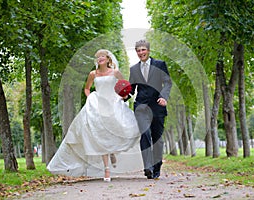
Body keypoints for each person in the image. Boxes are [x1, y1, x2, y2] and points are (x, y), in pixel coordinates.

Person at [47, 49, 143, 182]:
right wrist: (91, 98)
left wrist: (124, 95)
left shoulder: (115, 72)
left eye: (102, 56)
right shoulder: (93, 74)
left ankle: (112, 152)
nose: (100, 58)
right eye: (98, 57)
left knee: (116, 130)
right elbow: (87, 88)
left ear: (108, 59)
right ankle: (107, 170)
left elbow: (124, 86)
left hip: (112, 104)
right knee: (101, 133)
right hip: (98, 105)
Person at [128, 40, 172, 179]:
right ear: (136, 52)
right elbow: (131, 89)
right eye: (138, 50)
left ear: (148, 50)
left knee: (157, 138)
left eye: (143, 50)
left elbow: (167, 82)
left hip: (158, 105)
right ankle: (147, 166)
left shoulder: (160, 64)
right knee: (145, 133)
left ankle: (156, 166)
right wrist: (122, 96)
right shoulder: (134, 69)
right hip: (141, 106)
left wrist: (164, 97)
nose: (141, 53)